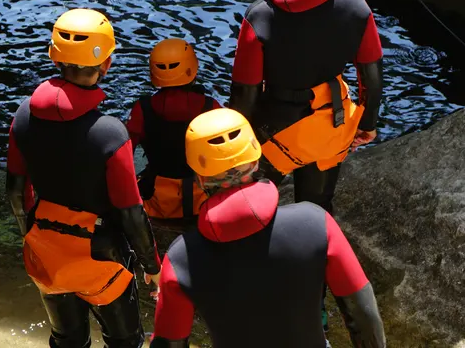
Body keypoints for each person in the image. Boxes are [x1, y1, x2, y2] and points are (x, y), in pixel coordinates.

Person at [149, 108, 386, 348]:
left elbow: (169, 344)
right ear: (255, 159)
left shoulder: (181, 259)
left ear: (199, 178)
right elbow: (364, 316)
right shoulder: (314, 223)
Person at [6, 8, 161, 348]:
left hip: (46, 250)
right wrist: (153, 265)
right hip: (101, 256)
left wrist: (32, 238)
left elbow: (17, 193)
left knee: (67, 340)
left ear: (53, 56)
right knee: (125, 342)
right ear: (106, 64)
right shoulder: (109, 134)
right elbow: (130, 212)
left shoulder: (22, 115)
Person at [230, 0, 383, 216]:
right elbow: (371, 76)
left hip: (274, 130)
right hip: (331, 121)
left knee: (253, 212)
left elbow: (244, 94)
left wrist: (237, 147)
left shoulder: (260, 17)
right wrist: (366, 125)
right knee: (316, 210)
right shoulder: (354, 3)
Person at [127, 39, 221, 221]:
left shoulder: (143, 108)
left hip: (156, 202)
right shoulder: (210, 106)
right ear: (193, 68)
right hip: (200, 200)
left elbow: (124, 153)